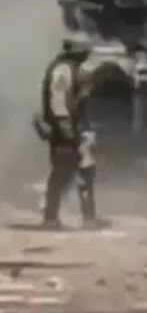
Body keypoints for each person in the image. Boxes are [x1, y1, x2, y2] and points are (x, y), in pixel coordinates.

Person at [35, 46, 103, 229]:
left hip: (70, 128)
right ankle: (52, 217)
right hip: (63, 129)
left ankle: (87, 217)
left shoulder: (71, 68)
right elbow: (58, 104)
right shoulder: (63, 70)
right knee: (62, 172)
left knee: (83, 169)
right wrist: (68, 132)